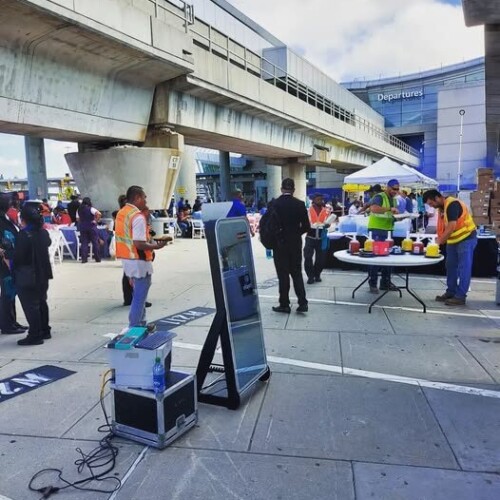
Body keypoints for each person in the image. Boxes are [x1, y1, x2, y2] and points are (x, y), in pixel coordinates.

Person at [115, 186, 167, 326]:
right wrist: (156, 246)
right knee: (139, 297)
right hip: (139, 261)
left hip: (127, 260)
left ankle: (141, 323)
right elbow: (139, 243)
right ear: (137, 198)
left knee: (138, 294)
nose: (145, 200)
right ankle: (135, 326)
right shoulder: (137, 217)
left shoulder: (122, 213)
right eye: (144, 197)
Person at [423, 189, 477, 306]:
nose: (432, 206)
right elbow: (444, 227)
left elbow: (451, 226)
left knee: (464, 268)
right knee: (451, 266)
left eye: (431, 203)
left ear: (437, 198)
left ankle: (460, 296)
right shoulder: (441, 209)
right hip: (453, 240)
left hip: (466, 238)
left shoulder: (452, 204)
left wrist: (438, 242)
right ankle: (451, 292)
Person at [14, 205, 53, 346]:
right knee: (42, 301)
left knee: (31, 305)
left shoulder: (23, 235)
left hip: (29, 275)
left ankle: (35, 334)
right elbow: (47, 243)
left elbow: (19, 257)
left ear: (23, 219)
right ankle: (45, 330)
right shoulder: (43, 233)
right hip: (43, 273)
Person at [271, 178, 310, 313]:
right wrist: (294, 234)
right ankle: (303, 302)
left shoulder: (274, 204)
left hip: (279, 244)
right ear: (293, 190)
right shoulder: (299, 204)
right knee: (296, 273)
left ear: (282, 189)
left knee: (283, 275)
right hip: (295, 243)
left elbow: (269, 226)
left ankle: (284, 304)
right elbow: (306, 226)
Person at [367, 179, 400, 293]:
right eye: (394, 189)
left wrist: (399, 217)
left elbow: (390, 215)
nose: (395, 191)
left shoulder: (394, 200)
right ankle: (373, 283)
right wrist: (389, 209)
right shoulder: (380, 196)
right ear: (388, 187)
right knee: (376, 258)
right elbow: (373, 208)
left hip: (388, 231)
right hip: (377, 230)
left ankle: (385, 282)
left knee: (388, 258)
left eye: (397, 189)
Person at [0, 196, 27, 335]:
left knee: (11, 293)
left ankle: (11, 321)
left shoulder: (6, 218)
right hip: (5, 262)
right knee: (7, 293)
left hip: (12, 259)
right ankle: (7, 325)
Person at [304, 193, 329, 284]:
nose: (320, 201)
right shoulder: (308, 210)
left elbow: (328, 221)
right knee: (308, 257)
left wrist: (328, 224)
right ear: (313, 200)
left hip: (322, 238)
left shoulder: (326, 210)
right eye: (318, 199)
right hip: (310, 237)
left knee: (321, 259)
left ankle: (317, 274)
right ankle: (310, 276)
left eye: (321, 199)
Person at [77, 197, 101, 263]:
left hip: (83, 227)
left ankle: (84, 259)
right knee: (95, 242)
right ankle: (97, 258)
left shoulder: (79, 209)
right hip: (91, 227)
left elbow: (78, 219)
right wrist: (95, 221)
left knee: (84, 243)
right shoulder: (91, 209)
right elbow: (99, 214)